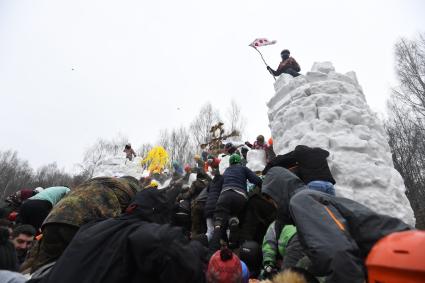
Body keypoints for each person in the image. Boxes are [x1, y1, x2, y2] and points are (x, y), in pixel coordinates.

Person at [261, 167, 411, 283]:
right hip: (397, 254)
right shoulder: (310, 199)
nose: (274, 206)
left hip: (402, 255)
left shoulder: (301, 200)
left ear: (278, 192)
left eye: (273, 200)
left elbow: (338, 253)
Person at [37, 188, 206, 283]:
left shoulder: (91, 227)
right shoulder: (148, 233)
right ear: (160, 213)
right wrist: (200, 247)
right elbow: (182, 260)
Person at [22, 177, 138, 273]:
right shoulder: (129, 192)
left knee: (43, 265)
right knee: (79, 269)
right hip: (81, 226)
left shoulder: (98, 182)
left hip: (53, 219)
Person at [209, 154, 262, 252]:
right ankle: (238, 249)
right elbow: (257, 180)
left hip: (224, 196)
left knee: (219, 223)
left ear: (230, 163)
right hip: (240, 197)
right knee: (241, 220)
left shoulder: (226, 171)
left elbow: (218, 185)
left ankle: (213, 251)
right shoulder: (243, 168)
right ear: (239, 161)